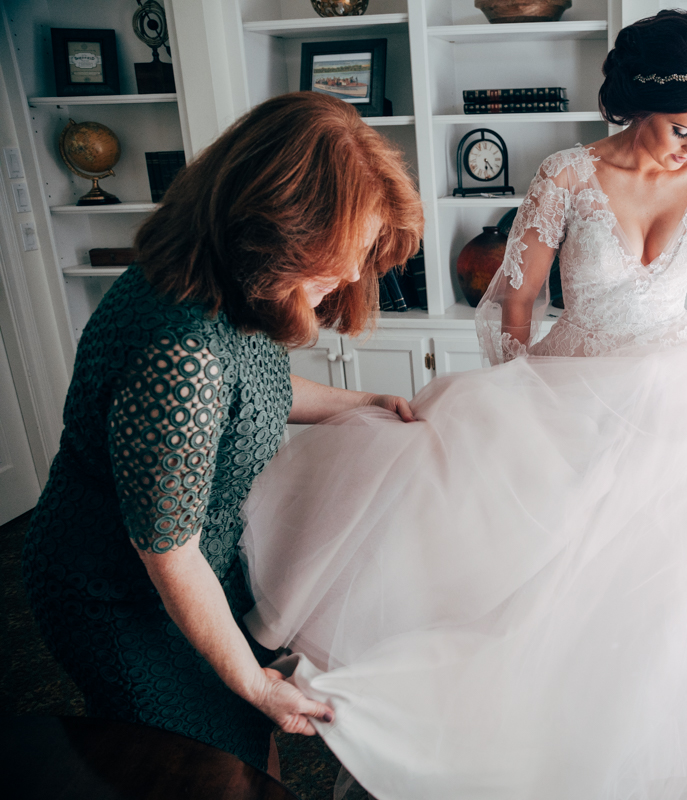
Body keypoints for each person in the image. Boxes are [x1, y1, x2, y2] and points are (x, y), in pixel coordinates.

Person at [240, 10, 687, 799]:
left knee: (659, 602)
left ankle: (621, 747)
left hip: (683, 417)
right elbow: (513, 307)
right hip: (567, 397)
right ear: (639, 106)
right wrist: (518, 398)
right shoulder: (567, 176)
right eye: (683, 130)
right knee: (527, 579)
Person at [21, 91, 424, 775]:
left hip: (197, 565)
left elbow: (251, 393)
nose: (356, 273)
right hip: (119, 597)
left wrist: (364, 400)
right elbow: (167, 552)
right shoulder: (179, 353)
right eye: (344, 251)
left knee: (241, 748)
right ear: (276, 229)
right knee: (192, 766)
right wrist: (255, 683)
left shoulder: (228, 289)